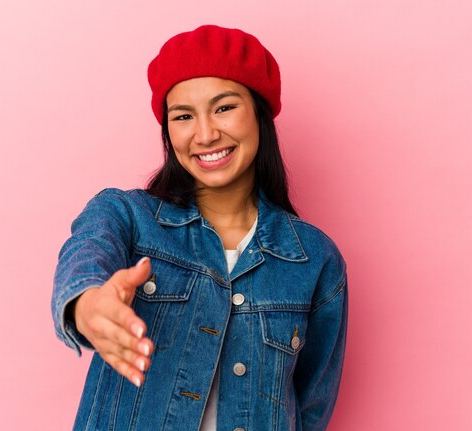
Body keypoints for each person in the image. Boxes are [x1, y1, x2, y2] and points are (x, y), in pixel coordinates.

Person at [52, 24, 348, 431]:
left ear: (259, 114)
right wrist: (87, 306)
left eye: (224, 107)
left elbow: (311, 406)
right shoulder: (127, 215)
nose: (206, 135)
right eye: (184, 116)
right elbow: (87, 251)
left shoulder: (314, 260)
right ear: (168, 132)